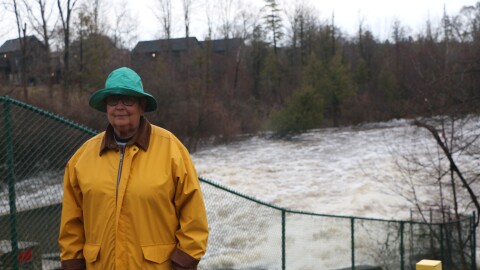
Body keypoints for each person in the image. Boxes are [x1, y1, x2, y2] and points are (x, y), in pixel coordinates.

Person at [58, 67, 209, 270]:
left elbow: (194, 219)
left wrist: (183, 264)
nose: (120, 106)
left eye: (128, 99)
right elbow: (71, 225)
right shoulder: (82, 158)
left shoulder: (171, 150)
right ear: (106, 107)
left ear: (141, 105)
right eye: (113, 100)